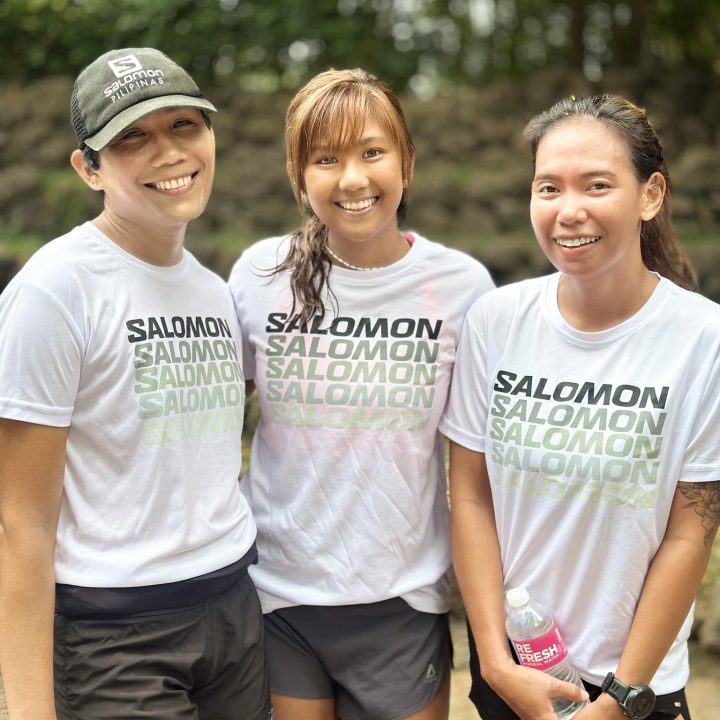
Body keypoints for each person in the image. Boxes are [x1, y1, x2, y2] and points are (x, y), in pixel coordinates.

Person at [0, 48, 270, 720]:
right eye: (131, 138)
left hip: (234, 611)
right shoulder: (55, 291)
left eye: (184, 125)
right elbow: (21, 524)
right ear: (88, 168)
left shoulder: (215, 292)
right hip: (113, 636)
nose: (169, 152)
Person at [440, 93, 720, 720]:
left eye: (596, 185)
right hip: (516, 673)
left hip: (636, 687)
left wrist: (620, 698)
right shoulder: (495, 321)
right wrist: (495, 663)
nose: (569, 211)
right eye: (548, 188)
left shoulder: (705, 340)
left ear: (650, 195)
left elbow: (690, 534)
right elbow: (472, 498)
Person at [228, 68, 495, 720]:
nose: (352, 179)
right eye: (326, 159)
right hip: (277, 596)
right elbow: (209, 426)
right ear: (299, 176)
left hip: (401, 601)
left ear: (407, 160)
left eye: (372, 152)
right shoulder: (260, 275)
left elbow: (480, 467)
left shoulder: (462, 288)